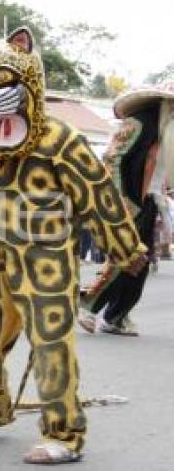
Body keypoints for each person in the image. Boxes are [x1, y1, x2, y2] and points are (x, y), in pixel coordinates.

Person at [0, 28, 146, 464]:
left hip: (47, 255)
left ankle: (65, 433)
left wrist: (125, 248)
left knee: (50, 343)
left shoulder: (60, 139)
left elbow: (97, 193)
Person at [78, 82, 174, 336]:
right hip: (128, 200)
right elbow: (113, 158)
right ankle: (87, 305)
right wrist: (120, 200)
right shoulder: (139, 123)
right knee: (126, 257)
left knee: (140, 264)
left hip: (150, 201)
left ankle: (116, 316)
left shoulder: (168, 130)